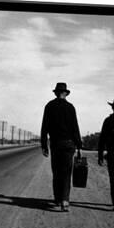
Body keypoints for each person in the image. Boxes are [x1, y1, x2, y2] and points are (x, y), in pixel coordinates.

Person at [40, 83, 82, 211]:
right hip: (69, 144)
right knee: (66, 172)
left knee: (56, 172)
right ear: (65, 93)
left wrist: (44, 145)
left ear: (56, 93)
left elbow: (44, 127)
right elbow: (75, 127)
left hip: (56, 144)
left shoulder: (49, 106)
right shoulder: (70, 107)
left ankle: (58, 199)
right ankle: (65, 200)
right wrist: (79, 145)